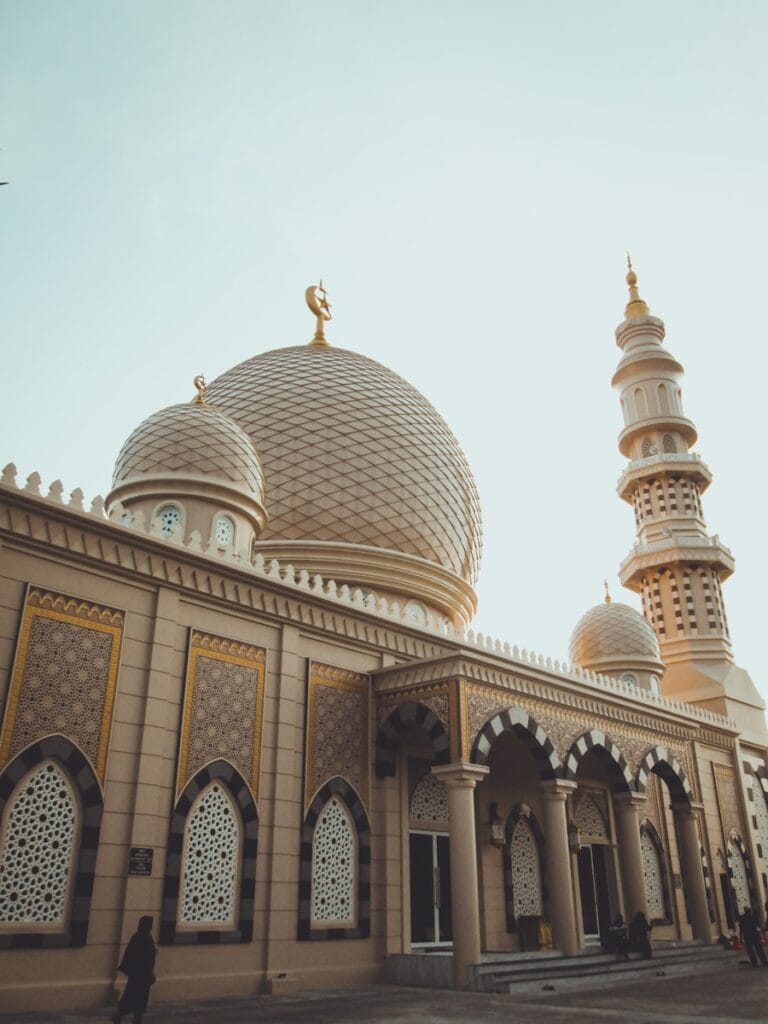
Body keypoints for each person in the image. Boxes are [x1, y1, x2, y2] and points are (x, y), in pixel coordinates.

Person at [113, 915, 156, 1024]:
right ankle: (123, 1015)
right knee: (133, 995)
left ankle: (133, 1017)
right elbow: (141, 956)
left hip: (140, 974)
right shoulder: (141, 937)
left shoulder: (142, 936)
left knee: (136, 997)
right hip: (139, 974)